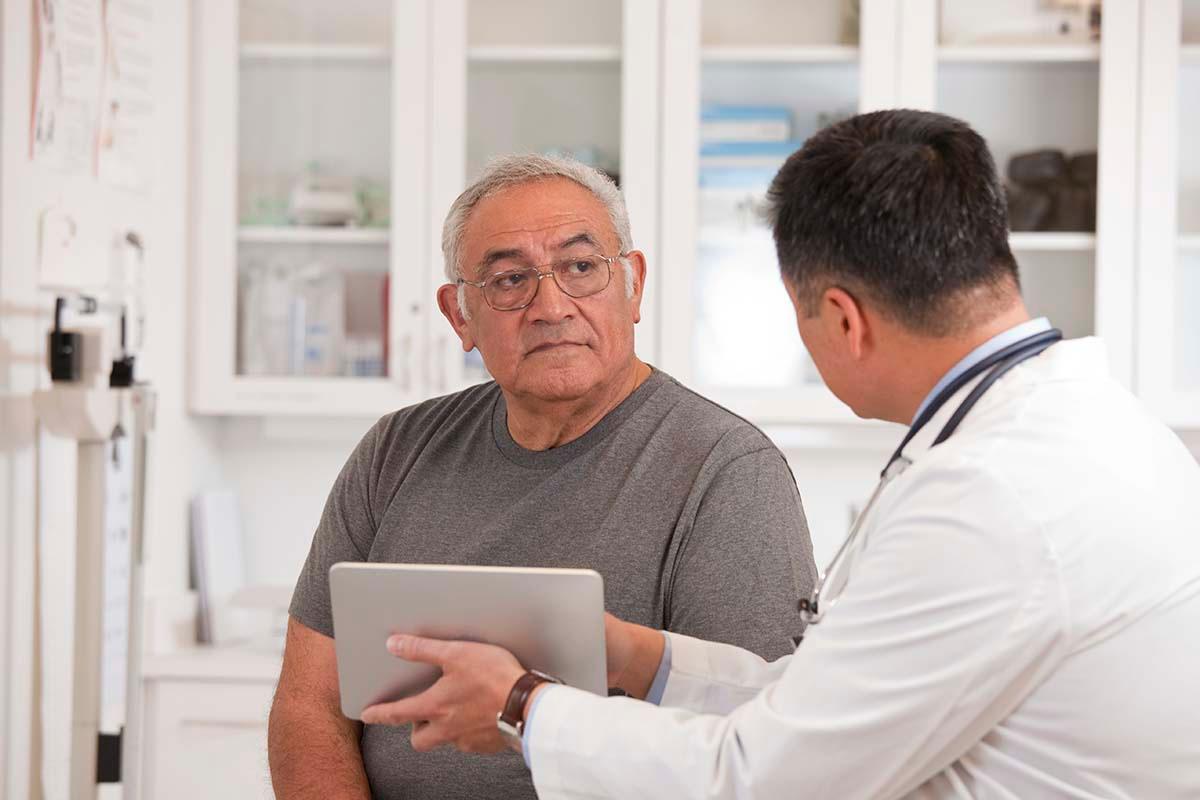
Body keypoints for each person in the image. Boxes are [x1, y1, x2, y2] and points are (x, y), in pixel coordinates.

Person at [359, 110, 1200, 799]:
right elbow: (821, 712)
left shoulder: (989, 497)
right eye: (508, 280)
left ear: (843, 320)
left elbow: (764, 780)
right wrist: (639, 656)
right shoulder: (1079, 432)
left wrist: (521, 707)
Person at [267, 154, 817, 799]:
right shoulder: (397, 451)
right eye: (507, 280)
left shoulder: (728, 474)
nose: (550, 306)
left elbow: (752, 748)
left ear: (633, 285)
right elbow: (308, 704)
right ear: (459, 316)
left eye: (582, 268)